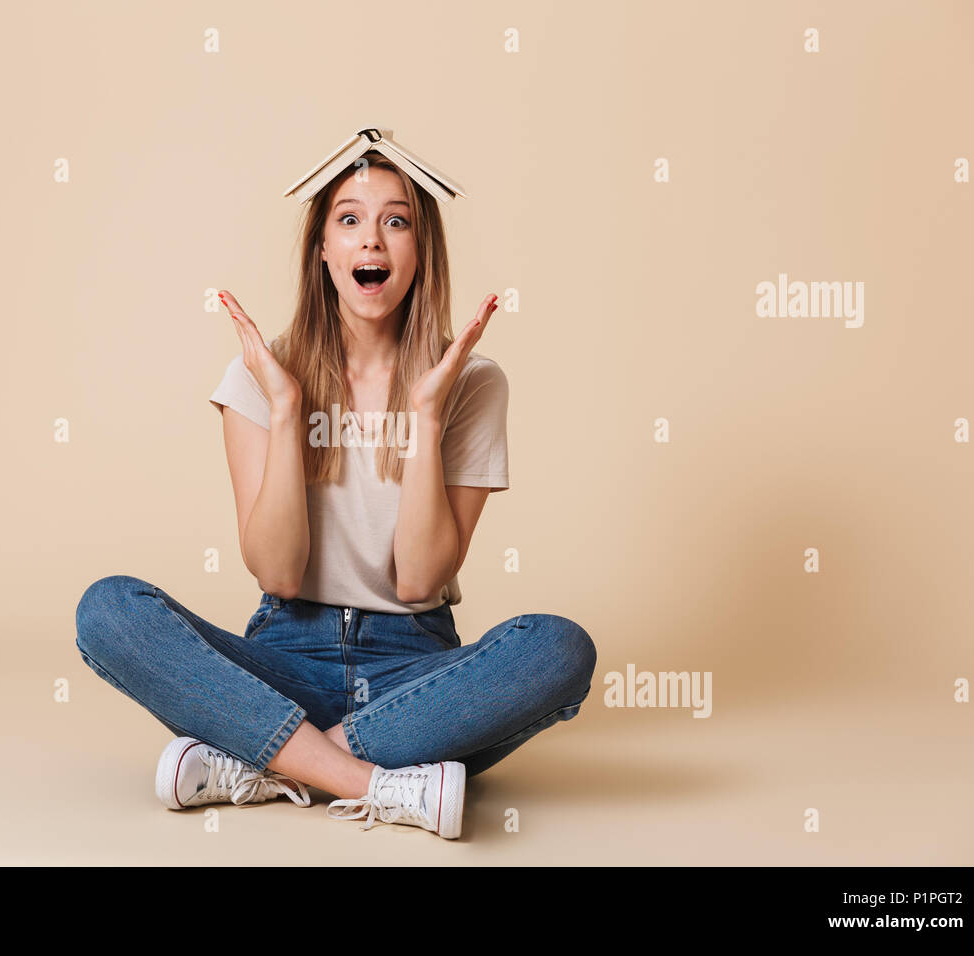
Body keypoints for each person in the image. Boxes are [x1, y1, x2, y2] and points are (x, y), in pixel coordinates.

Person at [75, 150, 596, 839]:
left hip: (415, 673)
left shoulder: (472, 381)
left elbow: (418, 581)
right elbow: (277, 572)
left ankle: (272, 763)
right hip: (284, 657)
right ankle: (375, 782)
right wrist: (286, 407)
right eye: (349, 220)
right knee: (109, 610)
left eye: (396, 222)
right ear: (323, 248)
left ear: (421, 250)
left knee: (559, 650)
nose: (372, 240)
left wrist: (428, 415)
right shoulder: (259, 376)